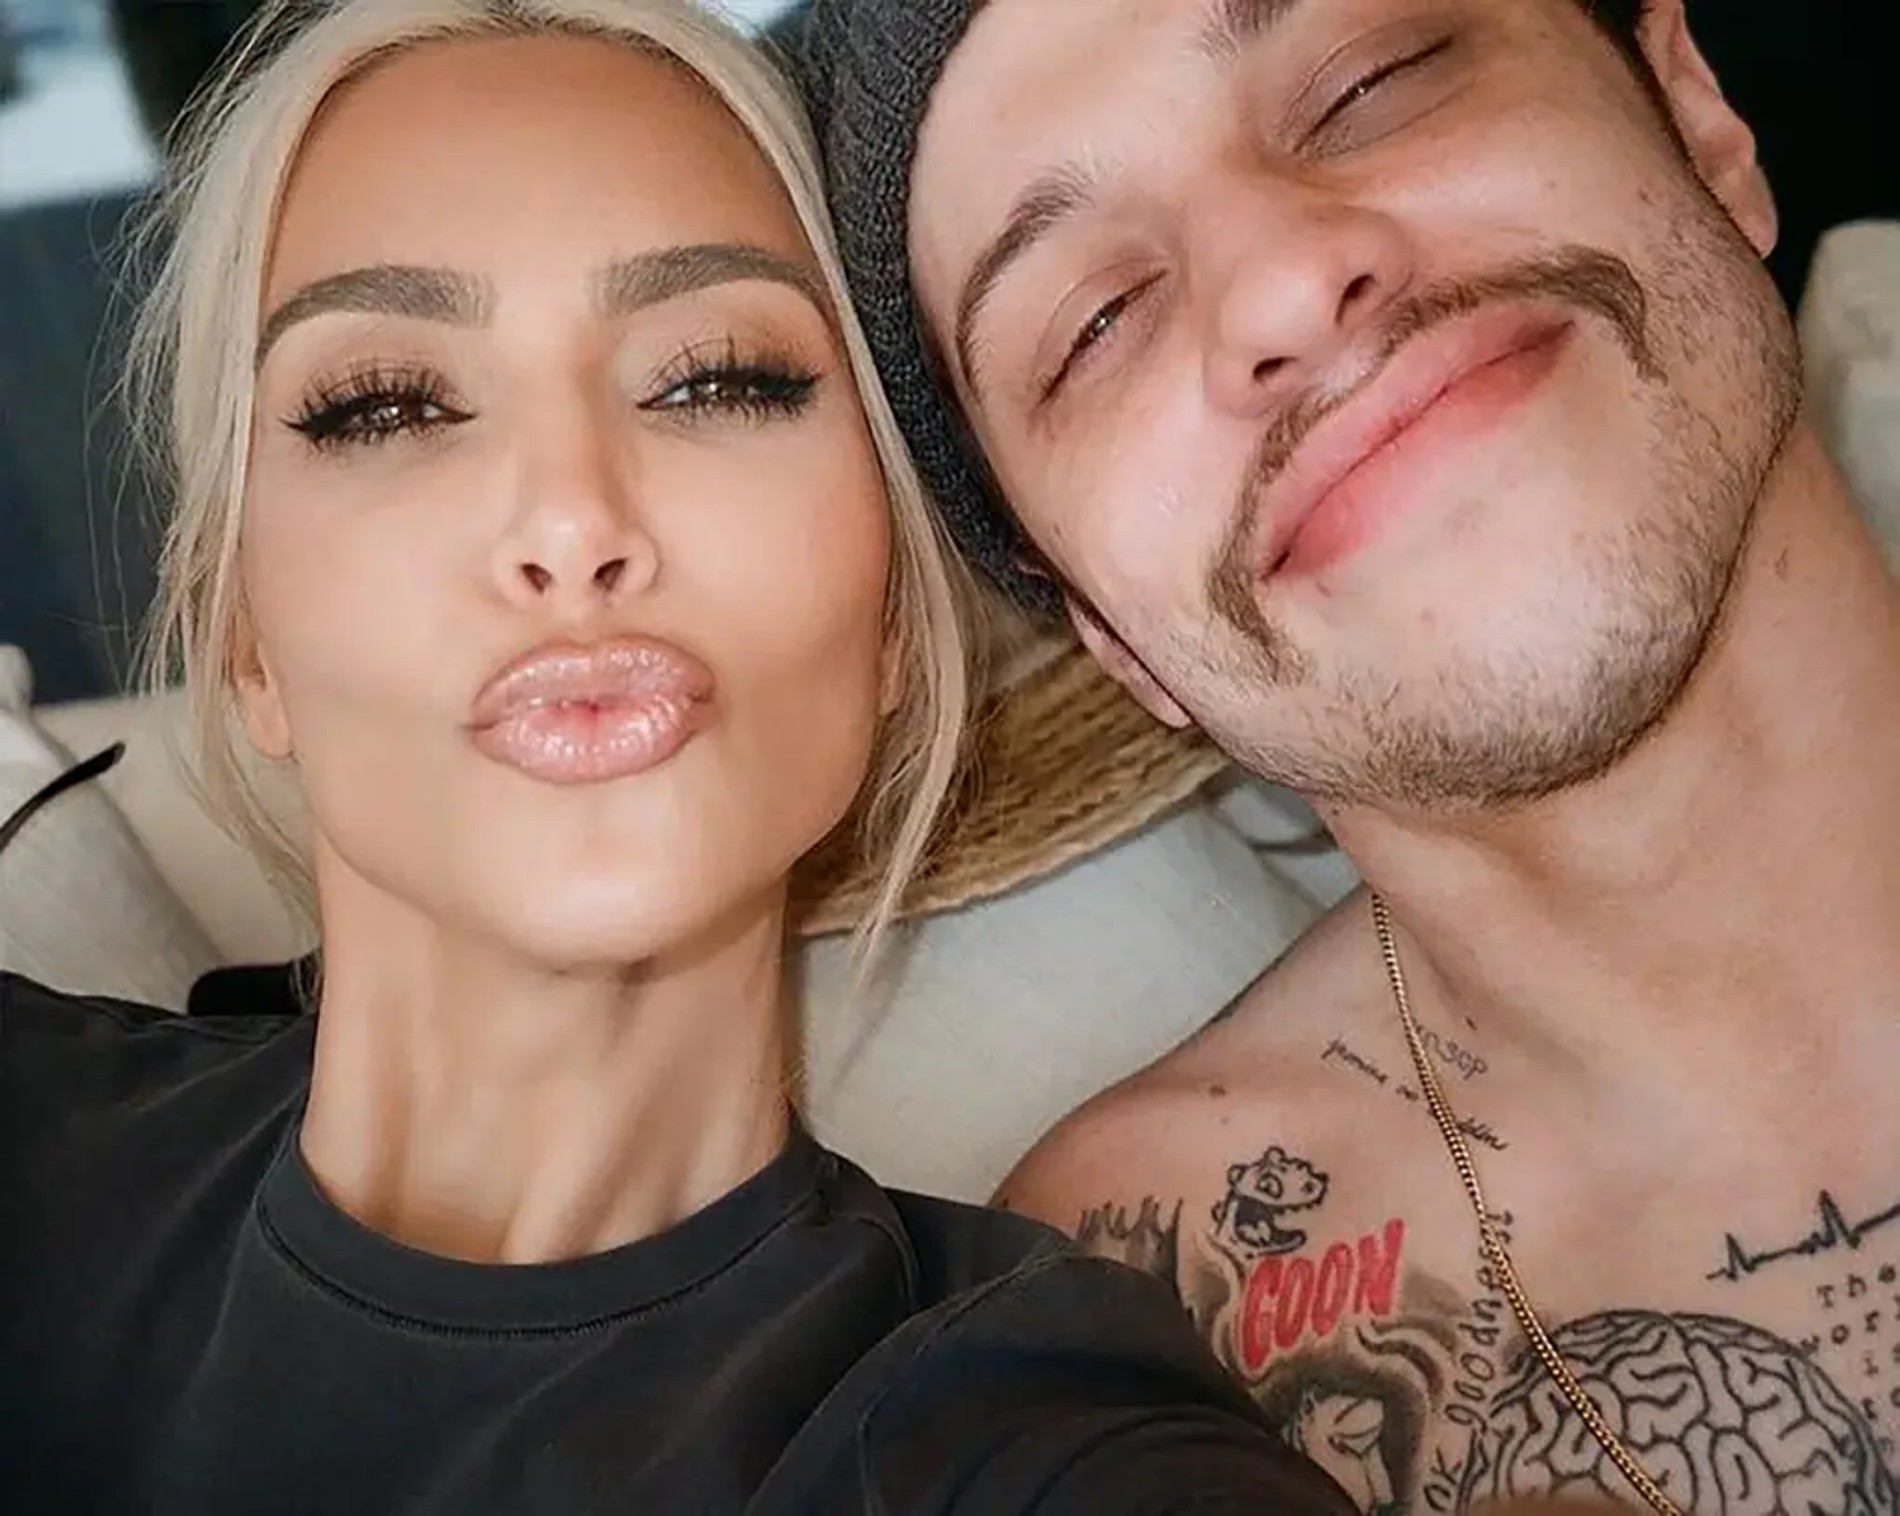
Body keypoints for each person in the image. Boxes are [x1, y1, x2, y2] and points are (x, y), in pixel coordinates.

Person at [0, 3, 1364, 1513]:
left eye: (715, 381)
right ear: (248, 642)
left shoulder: (1013, 1437)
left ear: (894, 619)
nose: (573, 520)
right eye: (388, 405)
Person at [790, 0, 1900, 1512]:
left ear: (1698, 124)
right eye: (1095, 324)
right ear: (1116, 639)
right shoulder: (1107, 1342)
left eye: (1371, 82)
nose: (1287, 287)